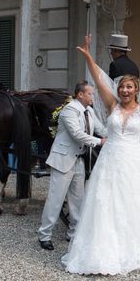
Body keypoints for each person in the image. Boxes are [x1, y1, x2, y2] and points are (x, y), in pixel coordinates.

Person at [60, 35, 140, 275]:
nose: (125, 90)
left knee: (130, 206)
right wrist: (87, 57)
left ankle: (127, 253)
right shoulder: (111, 105)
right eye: (122, 87)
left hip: (133, 164)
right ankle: (100, 252)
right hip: (109, 162)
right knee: (104, 204)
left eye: (129, 87)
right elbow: (98, 79)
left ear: (136, 90)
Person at [37, 81, 106, 250]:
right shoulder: (69, 111)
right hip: (63, 160)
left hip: (80, 160)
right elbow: (77, 134)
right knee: (55, 200)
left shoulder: (89, 111)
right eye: (90, 94)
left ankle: (73, 234)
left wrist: (116, 135)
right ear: (80, 94)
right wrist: (100, 142)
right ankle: (44, 235)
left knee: (77, 200)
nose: (93, 97)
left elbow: (101, 129)